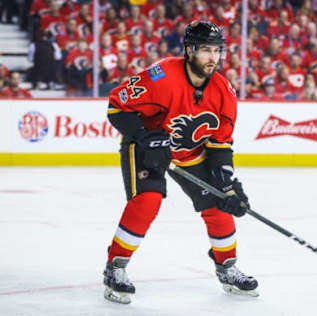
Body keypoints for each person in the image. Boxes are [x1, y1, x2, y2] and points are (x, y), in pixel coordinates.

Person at [103, 20, 258, 304]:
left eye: (217, 51)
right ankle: (116, 267)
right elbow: (116, 106)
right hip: (148, 145)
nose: (213, 58)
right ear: (189, 50)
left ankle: (227, 267)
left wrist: (227, 184)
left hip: (190, 151)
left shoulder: (224, 91)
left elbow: (221, 145)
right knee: (148, 200)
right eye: (206, 51)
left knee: (219, 202)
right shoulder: (161, 76)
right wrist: (143, 137)